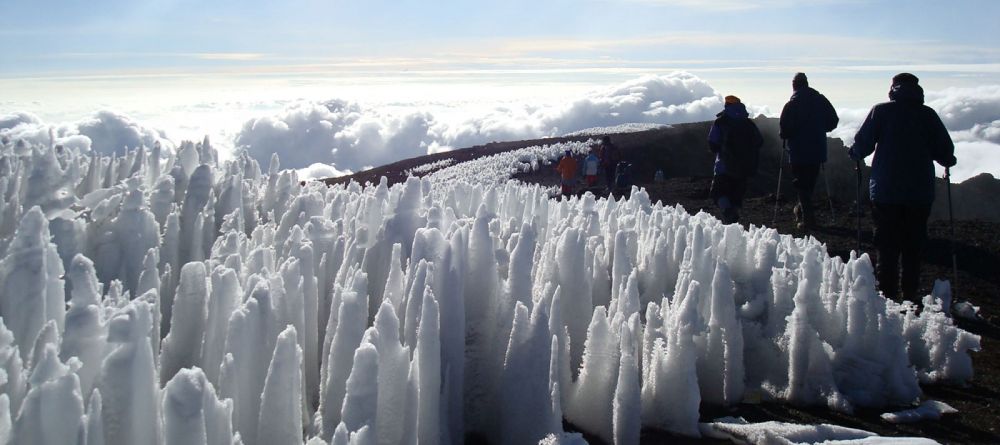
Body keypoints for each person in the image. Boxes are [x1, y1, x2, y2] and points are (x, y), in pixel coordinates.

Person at [848, 73, 956, 303]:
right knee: (913, 246)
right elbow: (945, 151)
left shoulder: (882, 112)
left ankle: (887, 297)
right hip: (919, 193)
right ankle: (909, 295)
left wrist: (854, 153)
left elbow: (863, 144)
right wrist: (948, 160)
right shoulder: (928, 115)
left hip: (886, 191)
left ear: (893, 89)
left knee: (886, 246)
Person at [779, 72, 840, 229]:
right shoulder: (820, 100)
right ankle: (801, 211)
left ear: (794, 86)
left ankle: (808, 219)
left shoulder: (791, 105)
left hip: (798, 151)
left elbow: (784, 130)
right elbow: (833, 120)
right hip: (818, 149)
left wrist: (788, 134)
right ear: (806, 83)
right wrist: (820, 129)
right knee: (809, 183)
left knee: (801, 184)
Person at [708, 95, 764, 224]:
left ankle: (729, 215)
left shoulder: (721, 122)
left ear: (727, 106)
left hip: (724, 167)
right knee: (736, 196)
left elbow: (712, 143)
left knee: (718, 193)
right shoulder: (748, 123)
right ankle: (733, 222)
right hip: (745, 167)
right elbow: (759, 141)